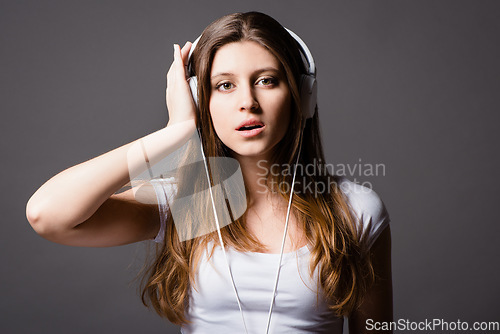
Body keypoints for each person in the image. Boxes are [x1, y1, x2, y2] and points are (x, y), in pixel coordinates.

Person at [26, 11, 392, 334]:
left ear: (303, 95)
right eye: (224, 85)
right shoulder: (184, 202)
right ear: (202, 101)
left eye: (266, 80)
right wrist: (175, 133)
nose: (247, 101)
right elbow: (47, 215)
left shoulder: (356, 209)